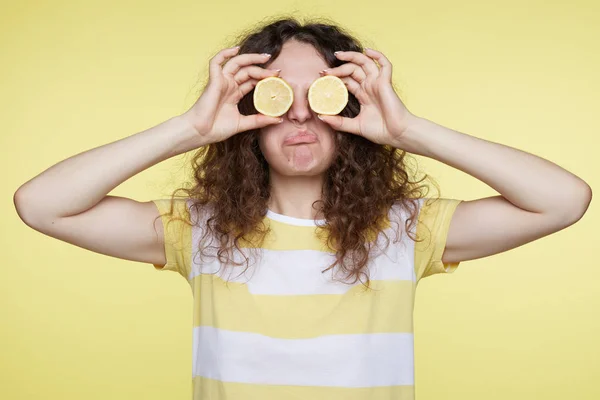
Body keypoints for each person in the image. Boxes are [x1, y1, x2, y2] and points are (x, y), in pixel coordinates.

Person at [13, 17, 591, 400]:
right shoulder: (199, 230)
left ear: (349, 102)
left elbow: (564, 200)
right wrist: (190, 128)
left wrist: (408, 129)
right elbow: (40, 205)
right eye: (275, 94)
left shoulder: (405, 230)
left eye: (322, 93)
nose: (298, 116)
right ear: (248, 112)